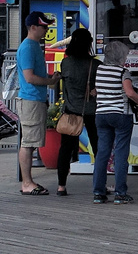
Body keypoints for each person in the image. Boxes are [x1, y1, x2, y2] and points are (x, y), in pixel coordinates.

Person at [91, 40, 138, 204]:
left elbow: (96, 91)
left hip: (101, 115)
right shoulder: (123, 72)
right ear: (121, 56)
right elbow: (129, 93)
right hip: (120, 115)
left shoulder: (99, 70)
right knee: (121, 154)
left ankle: (98, 192)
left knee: (102, 154)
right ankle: (120, 193)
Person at [16, 11, 59, 195]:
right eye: (44, 26)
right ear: (33, 27)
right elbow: (30, 77)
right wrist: (50, 82)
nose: (46, 30)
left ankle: (28, 181)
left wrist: (49, 78)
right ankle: (27, 183)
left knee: (31, 141)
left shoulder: (34, 46)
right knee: (28, 142)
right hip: (30, 99)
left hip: (35, 99)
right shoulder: (27, 47)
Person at [54, 28, 99, 196]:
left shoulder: (66, 63)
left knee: (65, 149)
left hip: (71, 111)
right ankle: (99, 185)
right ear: (88, 44)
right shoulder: (95, 65)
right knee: (97, 147)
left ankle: (61, 186)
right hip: (92, 111)